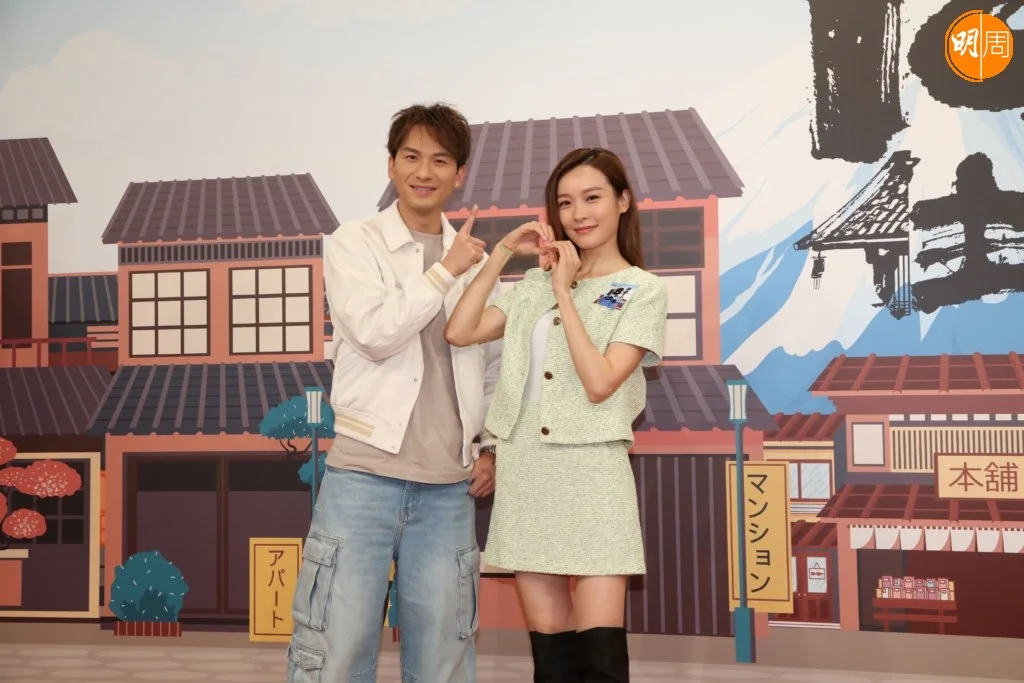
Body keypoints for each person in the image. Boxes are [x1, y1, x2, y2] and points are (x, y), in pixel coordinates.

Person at [287, 102, 503, 683]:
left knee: (444, 658)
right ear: (390, 165)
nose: (423, 171)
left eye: (440, 160)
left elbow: (494, 365)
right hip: (363, 475)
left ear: (459, 174)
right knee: (335, 648)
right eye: (411, 156)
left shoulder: (479, 261)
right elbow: (375, 333)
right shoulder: (354, 242)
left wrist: (489, 446)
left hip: (449, 487)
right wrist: (444, 271)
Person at [445, 147, 668, 683]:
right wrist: (502, 253)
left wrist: (566, 293)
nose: (578, 214)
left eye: (592, 198)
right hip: (527, 469)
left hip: (593, 471)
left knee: (600, 658)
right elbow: (460, 330)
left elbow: (600, 382)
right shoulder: (533, 285)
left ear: (623, 201)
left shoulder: (643, 290)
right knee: (552, 658)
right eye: (565, 203)